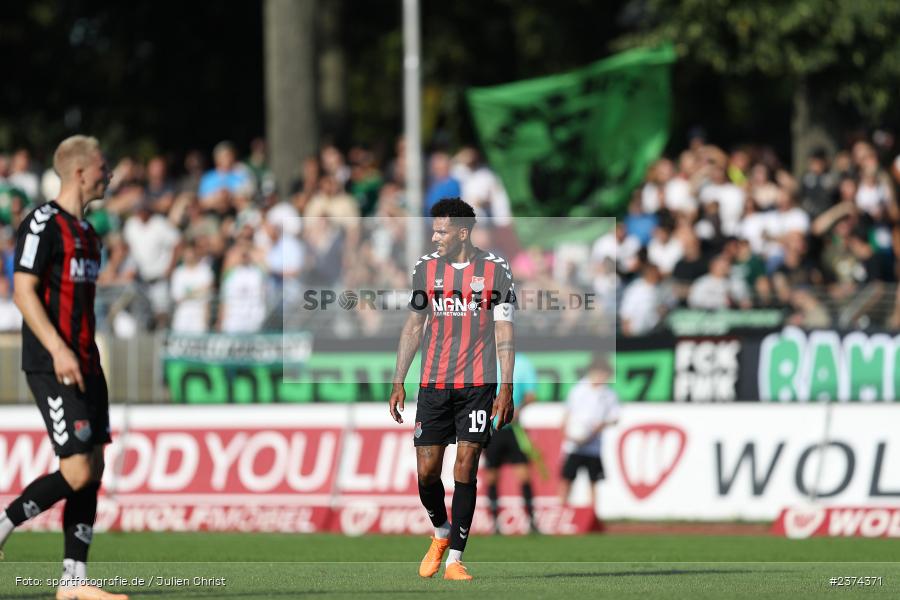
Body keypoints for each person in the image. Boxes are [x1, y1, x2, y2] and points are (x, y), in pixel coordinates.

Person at [0, 135, 128, 600]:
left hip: (86, 364)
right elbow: (23, 292)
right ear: (79, 171)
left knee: (92, 469)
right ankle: (4, 524)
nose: (108, 174)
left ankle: (73, 582)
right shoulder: (41, 222)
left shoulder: (89, 233)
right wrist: (57, 348)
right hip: (53, 362)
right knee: (75, 471)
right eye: (103, 166)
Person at [389, 197, 516, 581]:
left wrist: (506, 386)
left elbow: (504, 327)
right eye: (434, 229)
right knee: (427, 473)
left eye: (441, 230)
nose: (434, 236)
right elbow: (414, 325)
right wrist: (398, 379)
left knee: (466, 465)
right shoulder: (424, 269)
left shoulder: (496, 271)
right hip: (433, 383)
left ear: (462, 232)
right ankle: (441, 532)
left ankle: (456, 559)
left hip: (478, 385)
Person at [558, 355, 620, 524]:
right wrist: (566, 432)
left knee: (593, 481)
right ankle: (560, 514)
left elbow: (615, 418)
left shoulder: (609, 395)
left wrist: (600, 426)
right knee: (566, 480)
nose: (602, 377)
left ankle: (592, 517)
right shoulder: (578, 390)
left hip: (593, 446)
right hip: (574, 445)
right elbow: (567, 413)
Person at [483, 353, 540, 534]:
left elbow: (531, 395)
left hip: (513, 429)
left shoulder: (523, 363)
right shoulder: (486, 360)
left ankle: (531, 522)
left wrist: (518, 408)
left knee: (524, 475)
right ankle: (495, 523)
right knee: (492, 476)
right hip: (492, 429)